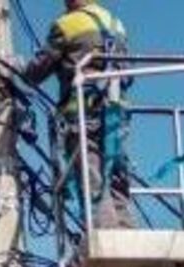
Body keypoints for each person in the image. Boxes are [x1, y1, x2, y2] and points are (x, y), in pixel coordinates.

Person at [24, 0, 133, 229]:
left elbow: (36, 71)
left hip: (83, 115)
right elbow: (128, 72)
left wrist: (15, 66)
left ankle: (107, 236)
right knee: (116, 180)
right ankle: (128, 234)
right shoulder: (116, 24)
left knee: (92, 180)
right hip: (116, 115)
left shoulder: (67, 25)